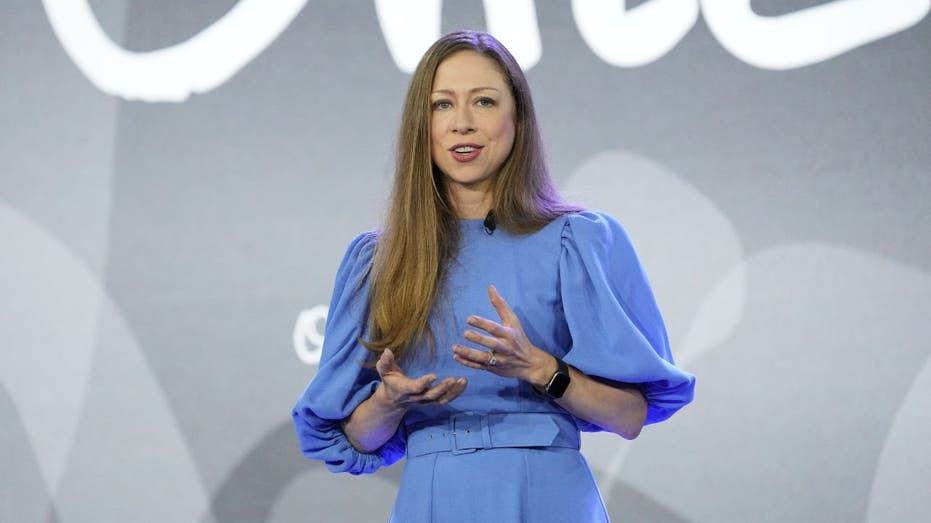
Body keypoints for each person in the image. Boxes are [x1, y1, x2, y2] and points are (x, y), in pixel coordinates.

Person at [293, 30, 695, 522]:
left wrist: (540, 368)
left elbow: (629, 417)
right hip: (435, 497)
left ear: (518, 117)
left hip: (550, 494)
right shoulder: (379, 260)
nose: (462, 124)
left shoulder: (579, 241)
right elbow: (356, 440)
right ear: (422, 124)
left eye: (484, 101)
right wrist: (389, 400)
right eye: (442, 105)